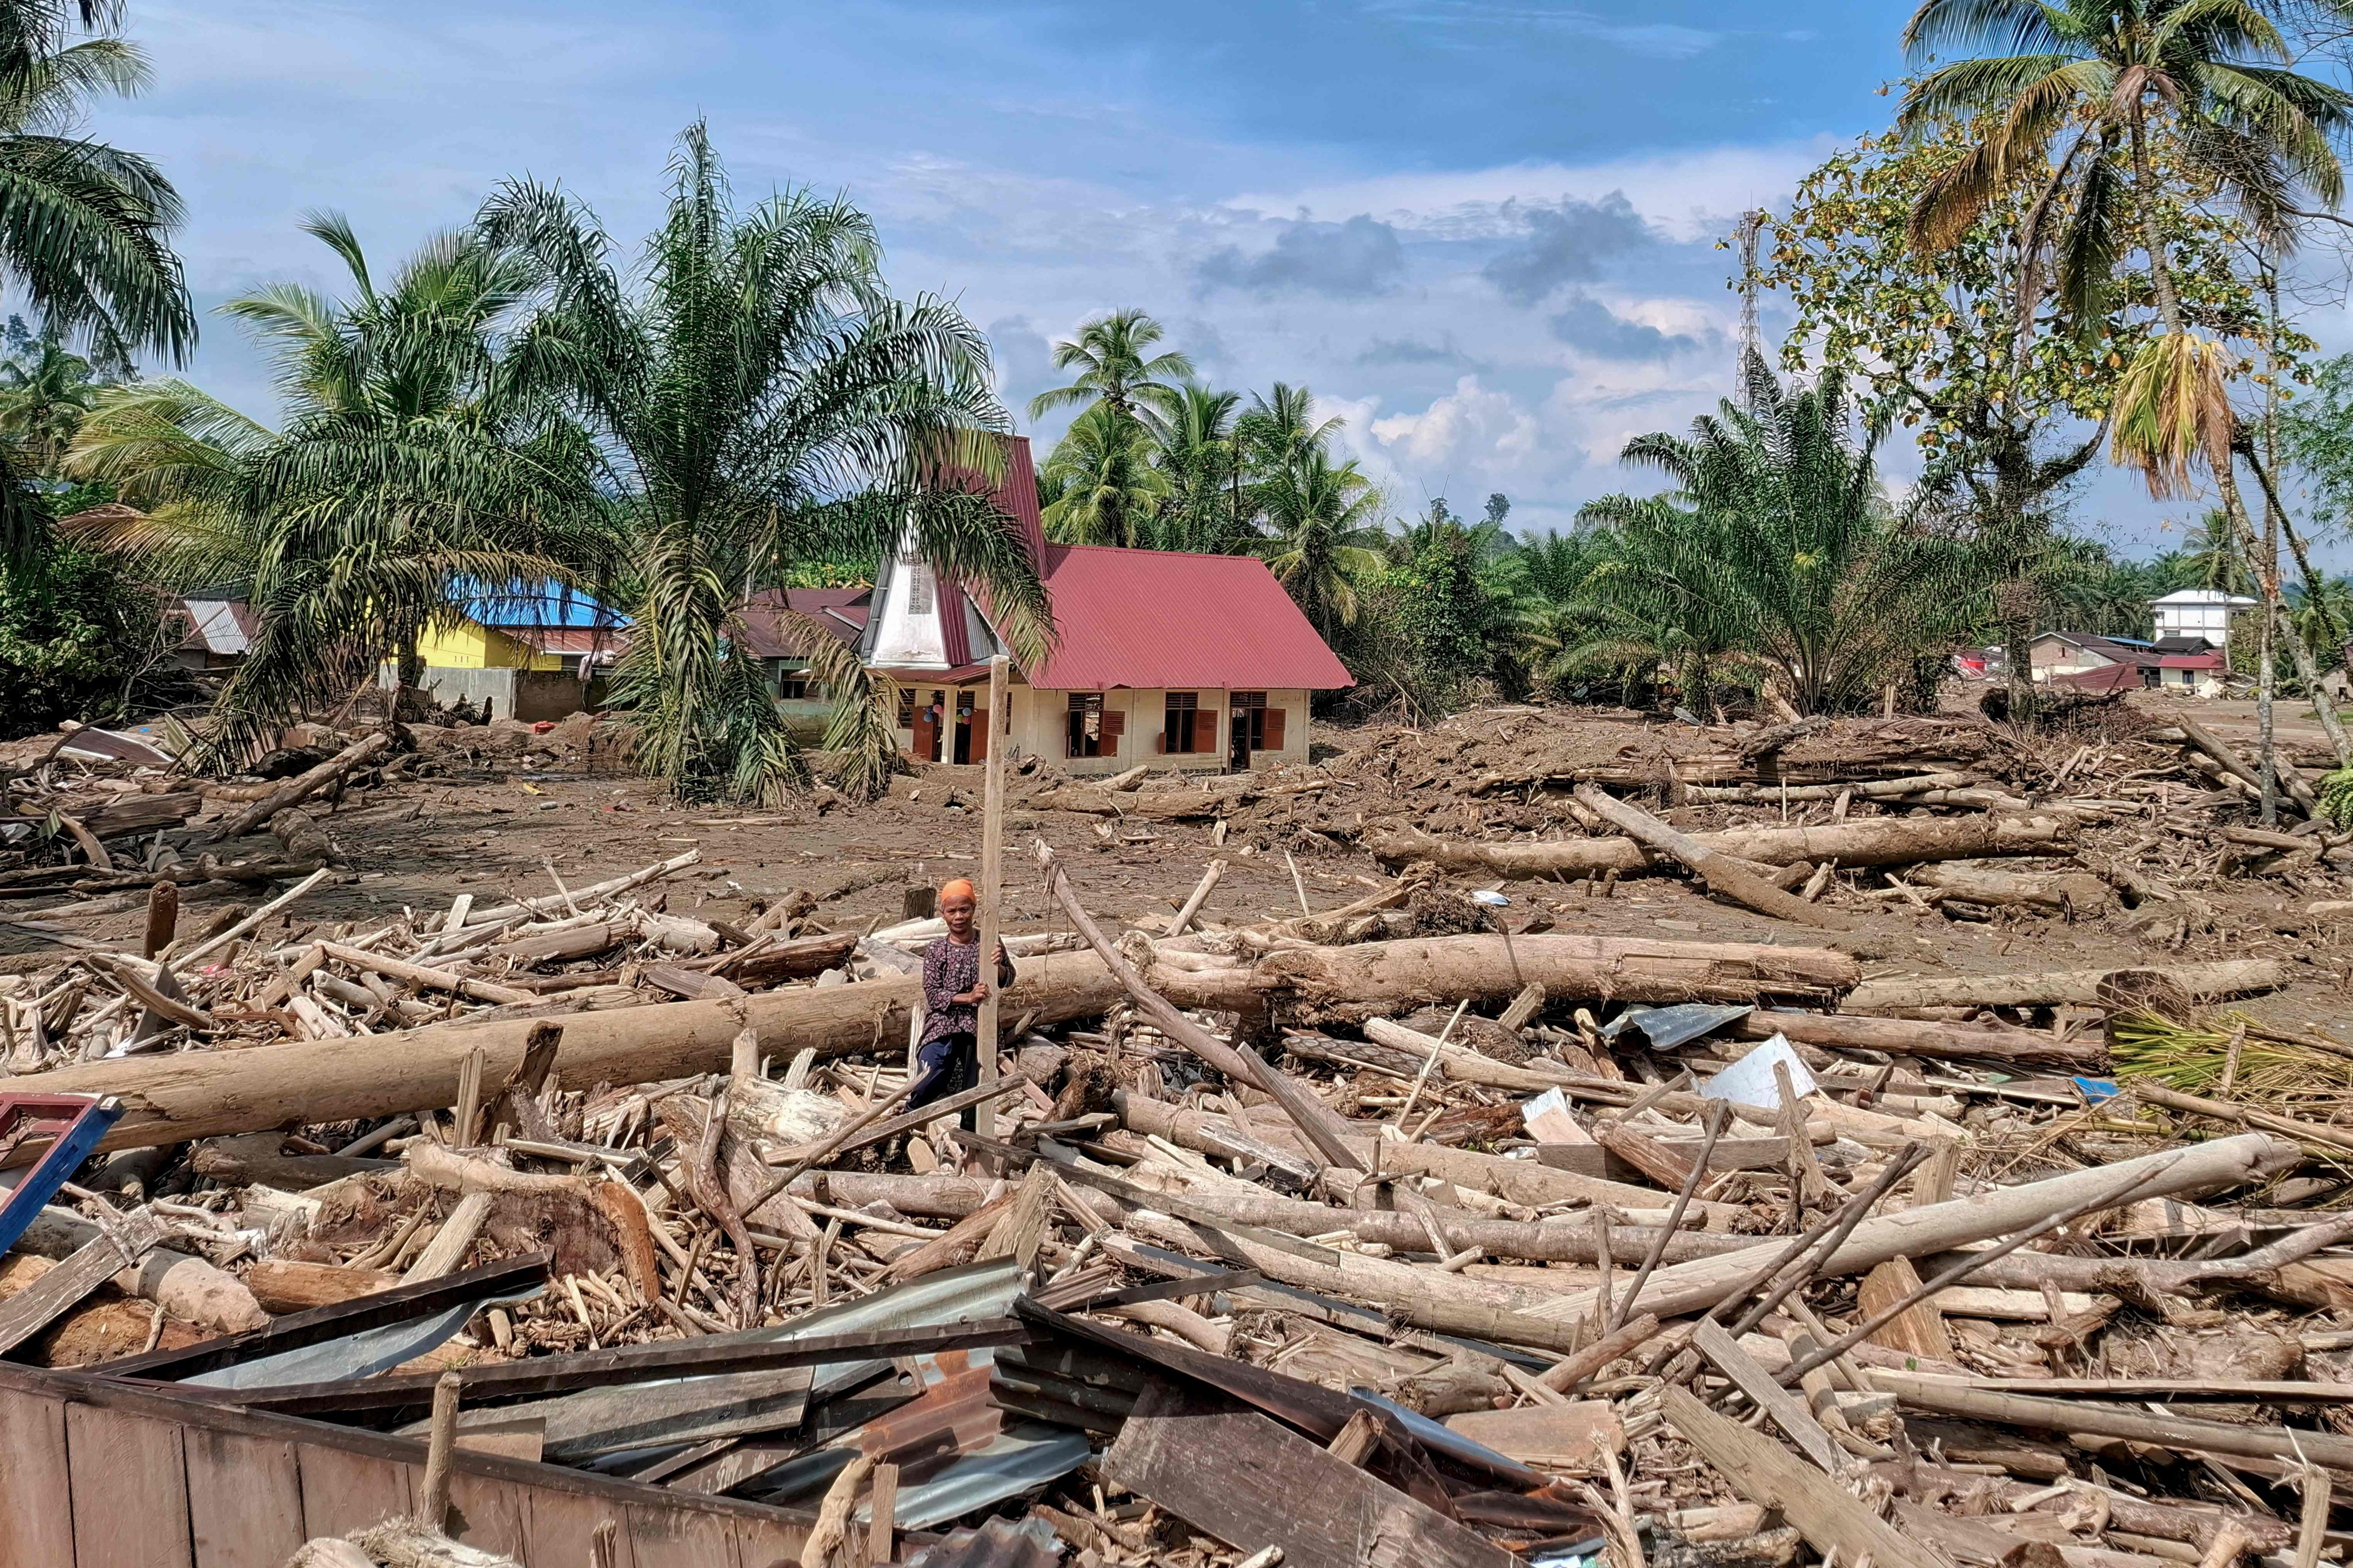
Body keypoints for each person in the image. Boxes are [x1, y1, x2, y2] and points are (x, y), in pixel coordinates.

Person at [911, 877, 1013, 1131]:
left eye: (964, 910)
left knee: (975, 1071)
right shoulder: (937, 950)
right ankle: (913, 1115)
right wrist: (967, 997)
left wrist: (997, 966)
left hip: (979, 1021)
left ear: (974, 910)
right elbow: (934, 995)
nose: (959, 917)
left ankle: (971, 1129)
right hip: (943, 1022)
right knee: (934, 1065)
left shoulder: (989, 941)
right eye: (952, 911)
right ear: (943, 914)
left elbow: (1008, 978)